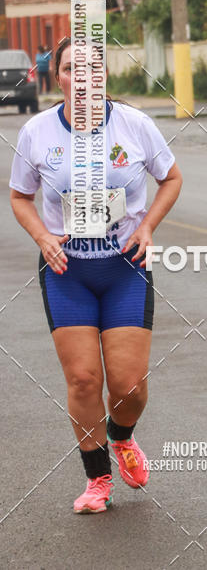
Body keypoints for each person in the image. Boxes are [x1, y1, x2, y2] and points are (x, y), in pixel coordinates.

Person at [9, 37, 183, 514]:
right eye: (70, 69)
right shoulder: (38, 132)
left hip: (125, 267)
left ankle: (122, 436)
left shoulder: (135, 125)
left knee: (127, 386)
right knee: (84, 380)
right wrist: (43, 237)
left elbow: (171, 178)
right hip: (68, 270)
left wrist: (147, 225)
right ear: (57, 77)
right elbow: (20, 196)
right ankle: (97, 478)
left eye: (90, 70)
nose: (81, 79)